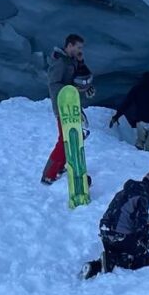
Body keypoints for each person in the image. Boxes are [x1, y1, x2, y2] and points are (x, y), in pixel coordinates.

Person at [80, 170, 149, 279]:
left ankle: (94, 266)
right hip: (121, 236)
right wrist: (146, 238)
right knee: (146, 261)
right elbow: (139, 226)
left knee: (117, 253)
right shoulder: (143, 196)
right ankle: (114, 261)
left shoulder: (125, 192)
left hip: (105, 233)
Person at [41, 33, 96, 185]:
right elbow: (53, 84)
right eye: (78, 47)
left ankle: (59, 168)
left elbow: (81, 78)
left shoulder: (72, 62)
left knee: (72, 139)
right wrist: (71, 90)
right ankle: (48, 174)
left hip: (72, 107)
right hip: (63, 107)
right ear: (69, 45)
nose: (80, 50)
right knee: (64, 141)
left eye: (81, 48)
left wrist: (86, 88)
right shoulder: (60, 62)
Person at [109, 71, 149, 151]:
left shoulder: (137, 89)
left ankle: (138, 155)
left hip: (141, 121)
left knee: (140, 143)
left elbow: (126, 103)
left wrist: (116, 116)